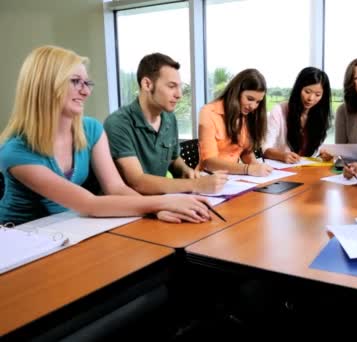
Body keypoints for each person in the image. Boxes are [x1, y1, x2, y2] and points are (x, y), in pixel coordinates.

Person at [0, 46, 212, 225]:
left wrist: (154, 211)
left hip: (71, 227)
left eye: (87, 83)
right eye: (75, 81)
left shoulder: (91, 130)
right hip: (24, 239)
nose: (86, 91)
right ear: (45, 86)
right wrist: (163, 203)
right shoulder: (15, 151)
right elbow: (89, 204)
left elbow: (116, 188)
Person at [104, 53, 227, 195]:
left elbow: (173, 158)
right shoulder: (117, 124)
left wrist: (185, 170)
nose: (179, 94)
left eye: (179, 87)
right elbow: (137, 182)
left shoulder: (170, 119)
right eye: (171, 86)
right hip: (129, 208)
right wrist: (196, 184)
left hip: (163, 202)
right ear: (147, 84)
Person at [197, 69, 273, 176]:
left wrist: (256, 166)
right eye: (249, 99)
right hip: (209, 178)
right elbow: (209, 162)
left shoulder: (246, 115)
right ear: (236, 92)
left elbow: (246, 151)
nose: (253, 107)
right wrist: (248, 169)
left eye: (258, 102)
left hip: (234, 178)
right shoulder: (208, 112)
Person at [262, 67, 333, 163]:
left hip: (306, 170)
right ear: (298, 89)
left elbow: (315, 152)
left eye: (317, 94)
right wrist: (282, 156)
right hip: (282, 170)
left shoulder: (320, 117)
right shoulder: (279, 111)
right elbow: (264, 148)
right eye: (307, 92)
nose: (311, 98)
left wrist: (322, 154)